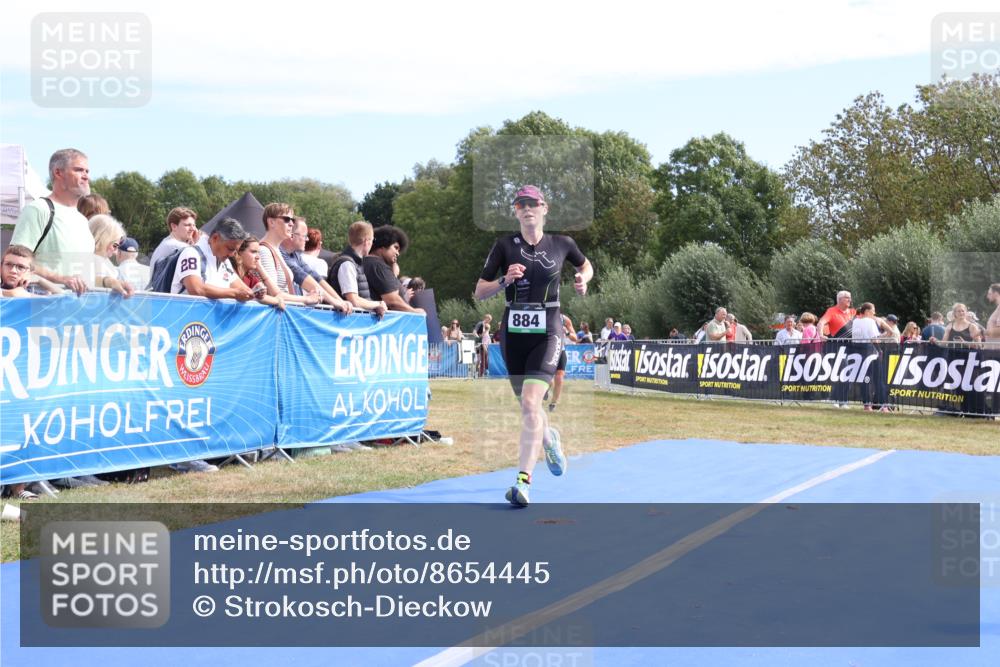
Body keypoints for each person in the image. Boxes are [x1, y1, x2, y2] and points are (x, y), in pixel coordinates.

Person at [475, 185, 592, 506]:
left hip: (549, 329)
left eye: (533, 203)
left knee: (530, 404)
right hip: (512, 332)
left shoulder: (562, 243)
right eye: (521, 204)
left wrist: (584, 279)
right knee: (530, 408)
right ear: (515, 211)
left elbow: (585, 265)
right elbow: (479, 292)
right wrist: (503, 281)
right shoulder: (503, 246)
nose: (527, 208)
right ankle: (549, 437)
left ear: (545, 208)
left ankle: (522, 483)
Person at [10, 148, 93, 295]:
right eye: (79, 170)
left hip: (76, 310)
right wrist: (62, 279)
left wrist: (112, 282)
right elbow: (16, 261)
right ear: (58, 172)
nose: (86, 176)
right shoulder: (38, 209)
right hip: (41, 308)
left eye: (87, 171)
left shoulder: (82, 220)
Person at [169, 217, 255, 301]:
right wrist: (235, 293)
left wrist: (254, 292)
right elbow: (196, 289)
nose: (232, 255)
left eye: (235, 251)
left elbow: (242, 289)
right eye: (230, 248)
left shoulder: (225, 262)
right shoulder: (191, 253)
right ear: (215, 238)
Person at [280, 217, 352, 312]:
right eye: (305, 236)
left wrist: (340, 300)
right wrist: (334, 302)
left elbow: (315, 277)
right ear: (292, 235)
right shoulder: (281, 254)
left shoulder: (295, 255)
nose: (307, 239)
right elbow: (302, 277)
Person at [327, 220, 388, 316]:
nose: (372, 244)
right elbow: (354, 301)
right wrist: (377, 304)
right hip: (347, 324)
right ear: (366, 241)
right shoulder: (347, 264)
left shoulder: (353, 263)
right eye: (372, 240)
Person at [363, 225, 425, 314]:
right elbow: (392, 301)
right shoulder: (378, 265)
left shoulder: (365, 262)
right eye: (395, 248)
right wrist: (415, 311)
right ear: (383, 245)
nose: (397, 253)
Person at [85, 214, 134, 298]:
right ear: (104, 239)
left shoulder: (92, 260)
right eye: (114, 245)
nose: (115, 252)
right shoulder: (93, 261)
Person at [233, 236, 285, 309]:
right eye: (253, 252)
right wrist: (278, 301)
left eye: (258, 253)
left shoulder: (250, 276)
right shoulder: (231, 271)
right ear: (239, 252)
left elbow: (272, 294)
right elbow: (249, 294)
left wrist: (260, 268)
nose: (258, 257)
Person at [149, 207, 198, 276]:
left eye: (194, 225)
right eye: (187, 225)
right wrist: (197, 244)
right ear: (174, 226)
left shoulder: (167, 242)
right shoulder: (175, 246)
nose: (193, 229)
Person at [548, 314, 579, 413]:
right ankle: (545, 389)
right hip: (545, 351)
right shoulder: (542, 314)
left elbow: (575, 338)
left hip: (560, 350)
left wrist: (567, 333)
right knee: (547, 378)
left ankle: (553, 403)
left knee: (559, 377)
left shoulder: (564, 319)